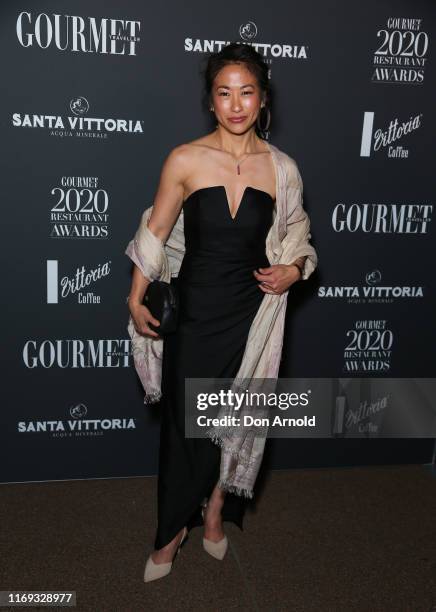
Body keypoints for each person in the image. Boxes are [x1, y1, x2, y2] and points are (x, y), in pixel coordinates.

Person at [126, 42, 316, 582]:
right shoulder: (185, 159)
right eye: (224, 92)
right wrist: (135, 296)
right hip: (196, 309)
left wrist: (293, 271)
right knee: (187, 426)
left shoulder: (282, 170)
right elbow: (156, 231)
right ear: (211, 100)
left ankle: (213, 510)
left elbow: (299, 238)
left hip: (252, 314)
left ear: (262, 98)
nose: (236, 104)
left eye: (247, 92)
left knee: (233, 418)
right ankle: (169, 533)